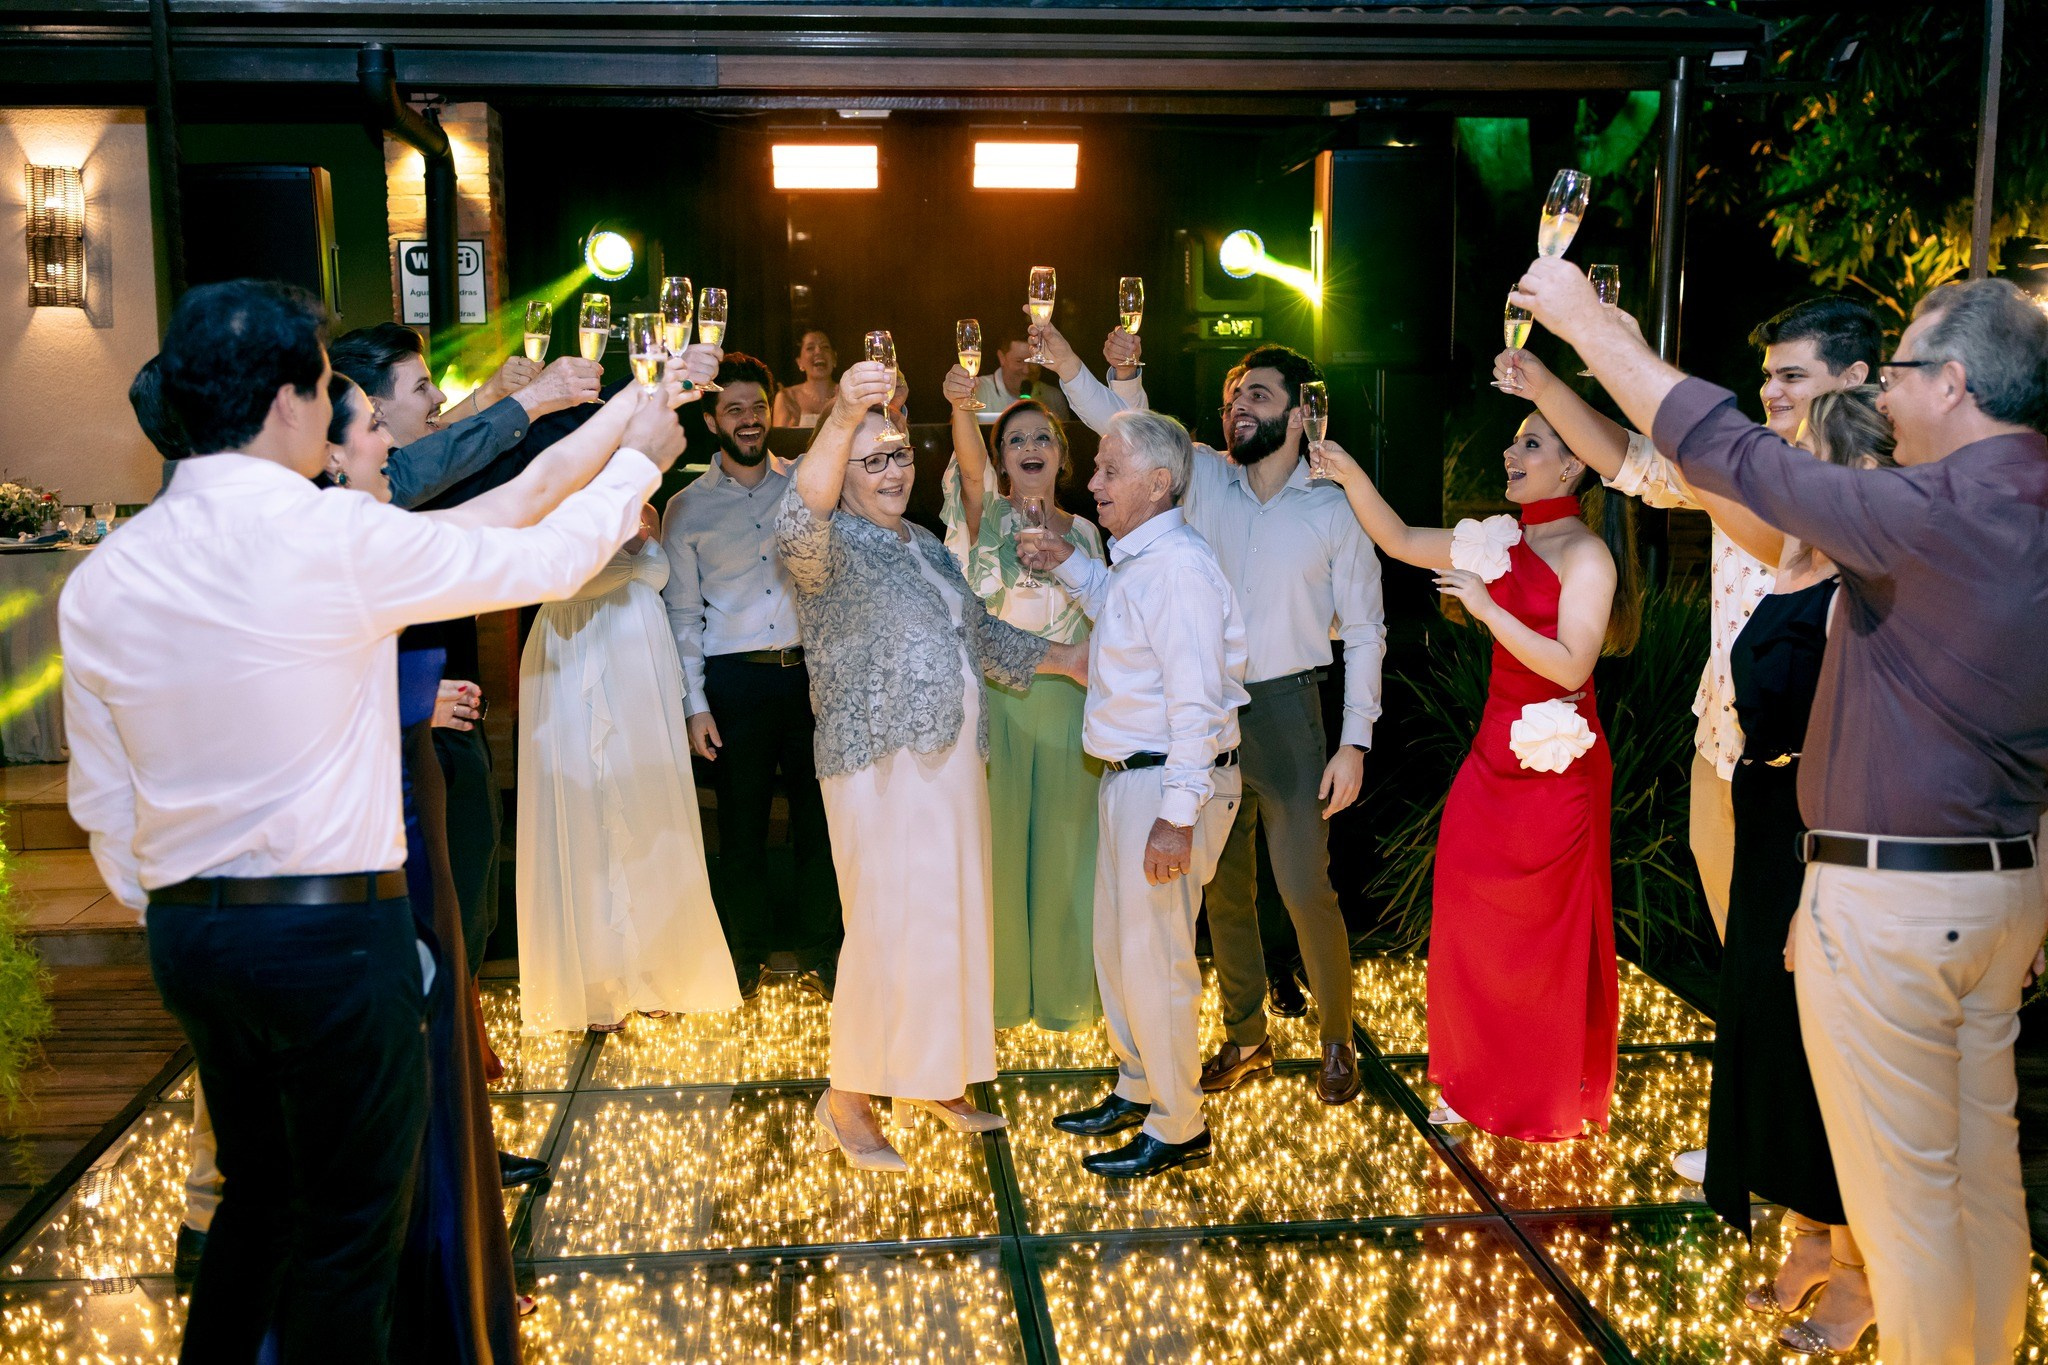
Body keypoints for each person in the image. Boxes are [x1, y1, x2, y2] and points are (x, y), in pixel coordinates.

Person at [62, 279, 683, 1364]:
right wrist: (637, 461)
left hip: (191, 941)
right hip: (329, 939)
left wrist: (185, 903)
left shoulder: (107, 572)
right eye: (321, 383)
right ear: (287, 405)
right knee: (350, 1240)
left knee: (256, 1210)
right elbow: (531, 561)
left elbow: (103, 799)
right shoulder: (329, 536)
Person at [1517, 260, 2048, 1365]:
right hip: (1997, 890)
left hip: (1898, 900)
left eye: (1896, 372)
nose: (1881, 396)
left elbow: (1734, 455)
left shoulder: (1924, 514)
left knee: (1902, 1209)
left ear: (1950, 384)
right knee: (1976, 1181)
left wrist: (1584, 324)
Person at [1501, 354, 1890, 1350]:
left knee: (1825, 1046)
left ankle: (1858, 1265)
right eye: (1763, 378)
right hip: (1742, 773)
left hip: (1825, 813)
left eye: (1792, 381)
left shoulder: (1879, 542)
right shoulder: (1768, 504)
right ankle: (1808, 1231)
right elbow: (1635, 458)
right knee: (1762, 1019)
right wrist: (1549, 381)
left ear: (1857, 386)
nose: (1769, 399)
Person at [317, 368, 691, 1359]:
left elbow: (515, 502)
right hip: (348, 888)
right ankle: (422, 1312)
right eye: (368, 436)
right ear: (318, 445)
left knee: (315, 1166)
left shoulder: (178, 551)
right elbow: (531, 538)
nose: (389, 455)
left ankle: (439, 1292)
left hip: (227, 916)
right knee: (373, 1132)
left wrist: (623, 420)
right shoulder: (339, 542)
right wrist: (636, 458)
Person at [777, 360, 1087, 1172]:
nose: (892, 470)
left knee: (950, 918)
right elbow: (792, 519)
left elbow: (980, 637)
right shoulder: (827, 548)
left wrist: (1068, 658)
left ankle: (936, 1073)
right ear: (841, 470)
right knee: (885, 923)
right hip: (878, 761)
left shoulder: (923, 545)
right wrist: (843, 414)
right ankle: (846, 1098)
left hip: (952, 764)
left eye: (898, 456)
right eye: (871, 459)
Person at [1317, 403, 1637, 1140]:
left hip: (1558, 771)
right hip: (1490, 764)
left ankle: (1538, 1090)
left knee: (1543, 942)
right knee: (1467, 926)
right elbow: (1397, 539)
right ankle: (1468, 1081)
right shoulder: (1498, 540)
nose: (1510, 450)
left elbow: (1572, 663)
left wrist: (1489, 611)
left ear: (1575, 465)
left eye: (1532, 441)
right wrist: (1346, 471)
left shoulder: (1587, 554)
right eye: (1515, 438)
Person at [1019, 409, 1248, 1178]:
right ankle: (1140, 1084)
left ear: (1158, 483)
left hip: (1166, 785)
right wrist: (1068, 563)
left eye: (1109, 470)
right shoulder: (1142, 561)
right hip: (1131, 780)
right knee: (1120, 953)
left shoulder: (1179, 568)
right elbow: (1123, 621)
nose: (1092, 482)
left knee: (1158, 961)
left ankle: (1180, 1124)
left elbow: (1196, 705)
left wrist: (1175, 819)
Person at [1167, 346, 1384, 1107]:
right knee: (1222, 889)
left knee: (1302, 887)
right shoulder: (1204, 481)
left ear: (1298, 412)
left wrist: (1354, 740)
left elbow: (1363, 629)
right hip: (1212, 710)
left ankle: (1336, 1038)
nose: (1237, 407)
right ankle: (1248, 1035)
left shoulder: (1334, 506)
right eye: (1231, 396)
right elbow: (1123, 424)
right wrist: (1094, 368)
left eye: (1256, 394)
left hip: (1292, 712)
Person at [516, 493, 743, 1033]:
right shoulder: (557, 496)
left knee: (647, 808)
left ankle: (654, 969)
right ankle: (597, 982)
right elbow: (559, 578)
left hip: (642, 665)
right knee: (588, 805)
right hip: (576, 661)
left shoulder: (647, 501)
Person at [664, 353, 842, 1001]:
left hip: (807, 679)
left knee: (820, 825)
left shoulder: (804, 484)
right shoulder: (687, 509)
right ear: (713, 418)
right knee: (739, 828)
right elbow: (683, 616)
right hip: (733, 684)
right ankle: (743, 955)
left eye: (756, 407)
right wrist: (695, 705)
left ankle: (825, 950)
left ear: (773, 413)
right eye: (734, 408)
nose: (747, 419)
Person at [939, 378, 1106, 1033]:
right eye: (1014, 441)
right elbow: (970, 475)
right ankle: (1003, 999)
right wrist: (959, 406)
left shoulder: (1090, 533)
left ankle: (1066, 997)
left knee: (1069, 850)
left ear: (1063, 455)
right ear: (1000, 459)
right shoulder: (993, 519)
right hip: (999, 704)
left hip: (1072, 703)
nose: (1029, 448)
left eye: (1041, 437)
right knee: (999, 850)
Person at [974, 337, 1074, 422]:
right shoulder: (977, 391)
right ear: (1002, 358)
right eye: (1019, 361)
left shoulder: (1054, 397)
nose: (1026, 370)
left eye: (1033, 361)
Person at [772, 328, 837, 429]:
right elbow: (779, 443)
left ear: (834, 358)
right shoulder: (787, 397)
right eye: (810, 348)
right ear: (800, 362)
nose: (818, 351)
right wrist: (795, 421)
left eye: (825, 347)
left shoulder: (848, 394)